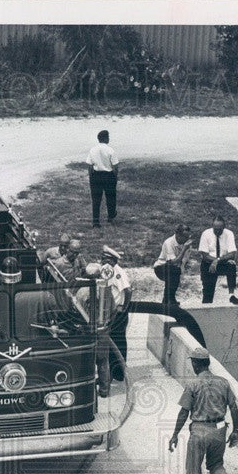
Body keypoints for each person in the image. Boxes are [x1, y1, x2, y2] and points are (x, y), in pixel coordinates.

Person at [168, 347, 238, 474]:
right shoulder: (223, 382)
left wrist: (174, 434)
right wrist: (236, 431)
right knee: (215, 464)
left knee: (193, 469)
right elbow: (234, 408)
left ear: (195, 363)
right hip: (220, 429)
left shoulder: (193, 385)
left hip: (200, 431)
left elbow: (184, 412)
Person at [85, 246, 131, 395]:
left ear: (113, 260)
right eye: (103, 258)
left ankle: (118, 373)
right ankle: (108, 377)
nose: (104, 261)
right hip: (109, 314)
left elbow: (127, 291)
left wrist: (123, 307)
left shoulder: (118, 272)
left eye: (107, 259)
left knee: (117, 342)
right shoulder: (105, 271)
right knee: (107, 350)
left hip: (117, 312)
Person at [197, 216, 238, 305]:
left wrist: (217, 260)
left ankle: (231, 295)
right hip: (209, 263)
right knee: (208, 294)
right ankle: (207, 305)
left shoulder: (229, 234)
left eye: (219, 230)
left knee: (231, 265)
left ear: (223, 228)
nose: (217, 231)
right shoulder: (206, 234)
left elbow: (232, 253)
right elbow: (205, 255)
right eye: (215, 229)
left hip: (222, 262)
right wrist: (215, 261)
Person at [153, 224, 193, 307]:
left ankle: (168, 300)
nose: (187, 239)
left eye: (188, 237)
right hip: (160, 267)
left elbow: (184, 261)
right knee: (173, 271)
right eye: (185, 237)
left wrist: (182, 271)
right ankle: (169, 300)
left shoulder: (187, 244)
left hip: (175, 268)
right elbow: (173, 262)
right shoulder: (169, 242)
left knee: (175, 276)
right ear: (178, 235)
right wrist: (184, 249)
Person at [87, 129, 119, 228]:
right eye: (108, 137)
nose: (109, 139)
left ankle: (96, 222)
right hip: (108, 176)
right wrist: (115, 176)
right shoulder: (110, 150)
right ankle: (111, 217)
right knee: (111, 197)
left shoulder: (93, 149)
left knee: (96, 199)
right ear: (105, 138)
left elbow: (89, 165)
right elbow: (115, 166)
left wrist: (91, 176)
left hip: (96, 175)